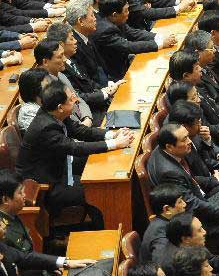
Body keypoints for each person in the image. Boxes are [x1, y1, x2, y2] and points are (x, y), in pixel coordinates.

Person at [17, 81, 133, 228]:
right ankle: (106, 228)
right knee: (99, 190)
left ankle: (110, 221)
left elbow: (80, 131)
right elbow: (74, 148)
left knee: (100, 166)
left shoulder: (54, 113)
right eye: (71, 99)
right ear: (60, 107)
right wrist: (115, 144)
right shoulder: (45, 127)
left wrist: (112, 135)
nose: (76, 100)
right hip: (47, 184)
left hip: (60, 168)